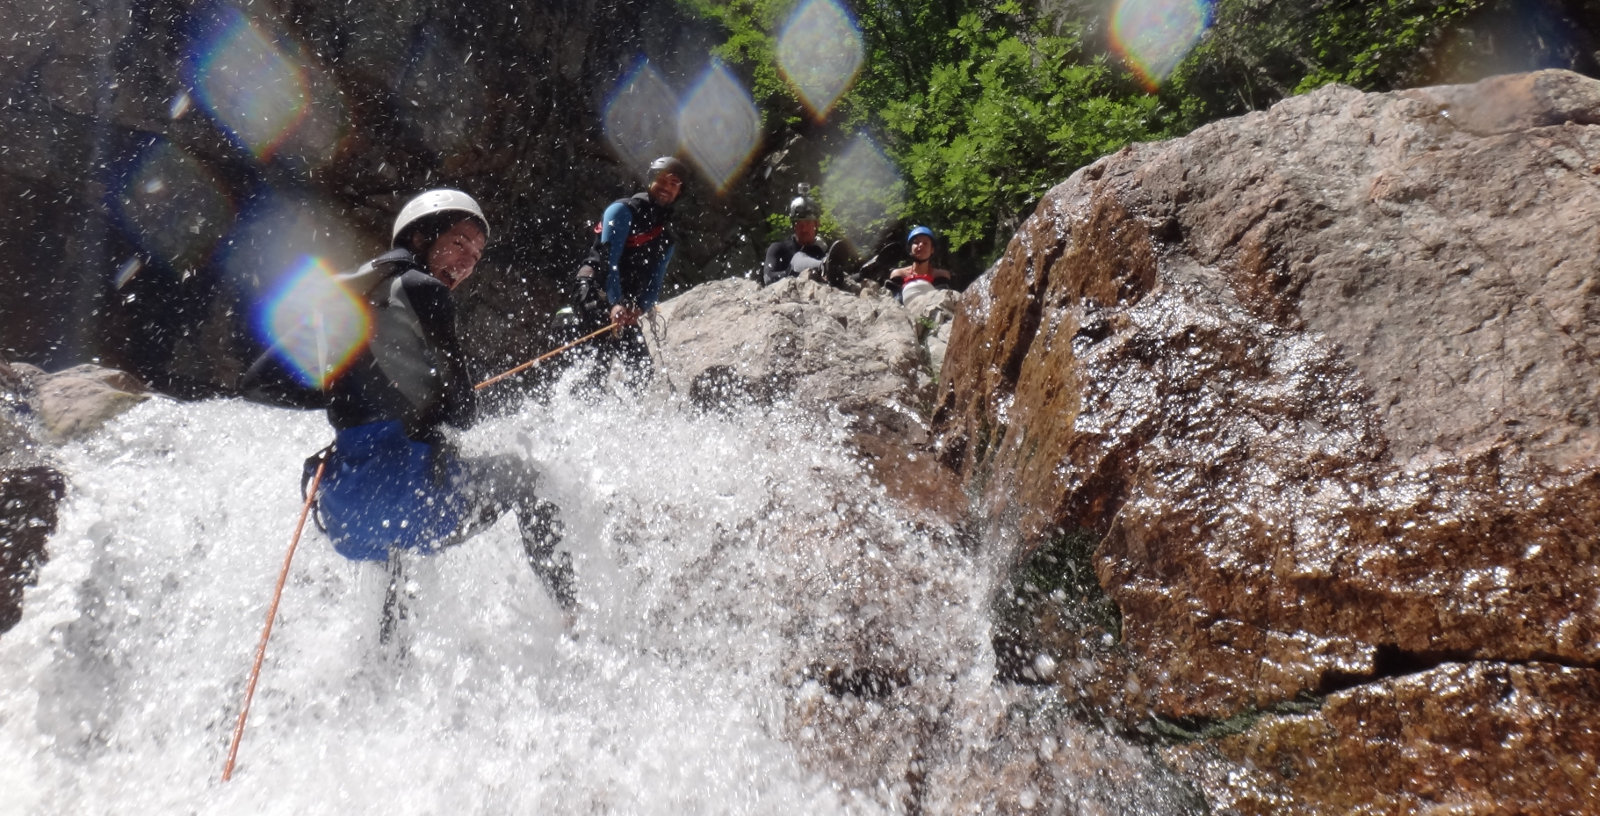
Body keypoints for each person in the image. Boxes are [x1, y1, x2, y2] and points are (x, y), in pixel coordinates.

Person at [242, 189, 575, 614]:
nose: (467, 262)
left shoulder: (339, 293)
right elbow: (463, 412)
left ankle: (387, 663)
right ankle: (573, 617)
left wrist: (341, 395)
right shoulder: (423, 288)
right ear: (420, 238)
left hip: (345, 514)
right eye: (459, 243)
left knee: (393, 553)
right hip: (412, 500)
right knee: (528, 479)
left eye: (475, 255)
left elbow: (257, 383)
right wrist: (423, 405)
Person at [561, 156, 687, 392]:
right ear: (650, 181)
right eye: (662, 180)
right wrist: (615, 303)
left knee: (641, 370)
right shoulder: (621, 211)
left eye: (674, 183)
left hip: (621, 304)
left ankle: (622, 416)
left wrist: (639, 307)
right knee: (597, 363)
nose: (666, 187)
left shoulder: (666, 237)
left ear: (679, 191)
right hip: (593, 290)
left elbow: (654, 282)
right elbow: (610, 262)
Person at [761, 186, 837, 287]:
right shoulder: (778, 249)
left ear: (816, 225)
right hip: (784, 298)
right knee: (798, 257)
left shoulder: (818, 252)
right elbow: (768, 278)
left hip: (812, 300)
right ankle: (820, 266)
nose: (804, 229)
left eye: (808, 224)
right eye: (800, 225)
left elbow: (839, 281)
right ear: (793, 226)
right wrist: (790, 272)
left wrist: (860, 275)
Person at [887, 225, 952, 305]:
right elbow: (893, 302)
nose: (920, 245)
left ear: (932, 250)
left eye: (925, 243)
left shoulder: (941, 275)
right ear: (910, 249)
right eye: (916, 242)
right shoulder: (899, 274)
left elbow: (943, 301)